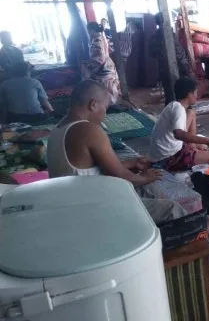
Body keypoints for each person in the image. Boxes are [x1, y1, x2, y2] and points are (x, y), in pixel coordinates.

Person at [47, 80, 185, 223]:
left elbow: (92, 170)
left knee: (149, 189)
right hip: (92, 208)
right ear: (93, 105)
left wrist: (133, 163)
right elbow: (119, 174)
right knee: (172, 209)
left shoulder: (57, 130)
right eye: (105, 108)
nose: (104, 115)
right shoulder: (88, 130)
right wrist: (145, 177)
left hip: (71, 201)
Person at [149, 77, 209, 171]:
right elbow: (178, 134)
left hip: (163, 152)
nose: (196, 95)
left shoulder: (174, 105)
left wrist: (196, 143)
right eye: (195, 92)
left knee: (191, 113)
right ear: (189, 94)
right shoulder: (178, 109)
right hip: (166, 159)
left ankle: (192, 145)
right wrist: (207, 141)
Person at [150, 13, 191, 103]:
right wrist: (185, 66)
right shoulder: (169, 34)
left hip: (163, 69)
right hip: (177, 68)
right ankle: (180, 113)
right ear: (165, 21)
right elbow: (178, 52)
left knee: (169, 94)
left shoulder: (154, 37)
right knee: (180, 93)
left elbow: (152, 54)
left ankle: (171, 112)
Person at [84, 22, 120, 104]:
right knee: (110, 86)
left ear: (92, 30)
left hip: (103, 67)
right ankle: (110, 102)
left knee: (101, 84)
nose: (89, 33)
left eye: (89, 31)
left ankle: (105, 103)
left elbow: (100, 59)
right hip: (108, 64)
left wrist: (89, 66)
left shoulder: (97, 41)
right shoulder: (101, 36)